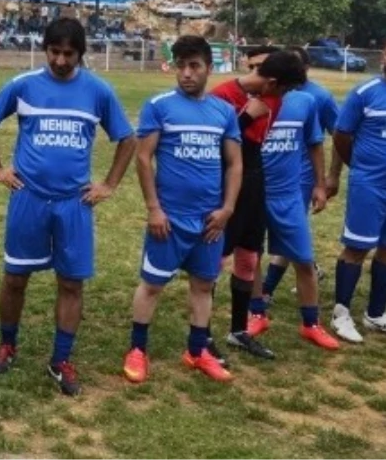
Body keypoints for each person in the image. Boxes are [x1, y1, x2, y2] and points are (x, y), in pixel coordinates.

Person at [0, 18, 136, 396]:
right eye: (55, 52)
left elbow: (126, 140)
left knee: (71, 282)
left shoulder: (98, 91)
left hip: (73, 203)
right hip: (28, 198)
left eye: (69, 53)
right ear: (45, 49)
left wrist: (109, 184)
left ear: (80, 54)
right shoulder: (24, 85)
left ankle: (60, 359)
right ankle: (7, 344)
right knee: (15, 278)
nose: (61, 60)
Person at [121, 35, 241, 383]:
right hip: (169, 219)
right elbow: (143, 158)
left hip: (210, 220)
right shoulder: (159, 105)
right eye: (181, 66)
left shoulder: (223, 112)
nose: (186, 73)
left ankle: (196, 350)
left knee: (203, 286)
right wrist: (154, 209)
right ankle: (138, 349)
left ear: (209, 68)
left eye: (194, 66)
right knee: (152, 285)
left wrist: (228, 208)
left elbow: (234, 164)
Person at [328, 33, 386, 343]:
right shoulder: (364, 93)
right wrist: (360, 169)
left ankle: (376, 313)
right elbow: (342, 135)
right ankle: (341, 314)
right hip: (370, 186)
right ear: (382, 56)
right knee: (357, 248)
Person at [244, 51, 340, 349]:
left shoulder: (304, 103)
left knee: (303, 259)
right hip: (254, 194)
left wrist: (320, 186)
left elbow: (314, 144)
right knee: (251, 258)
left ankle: (311, 323)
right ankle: (256, 313)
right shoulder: (246, 104)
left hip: (287, 196)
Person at [210, 45, 279, 361]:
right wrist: (243, 117)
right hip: (228, 178)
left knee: (250, 258)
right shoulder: (223, 94)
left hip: (256, 177)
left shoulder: (276, 97)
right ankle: (202, 332)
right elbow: (213, 142)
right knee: (215, 259)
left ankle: (239, 330)